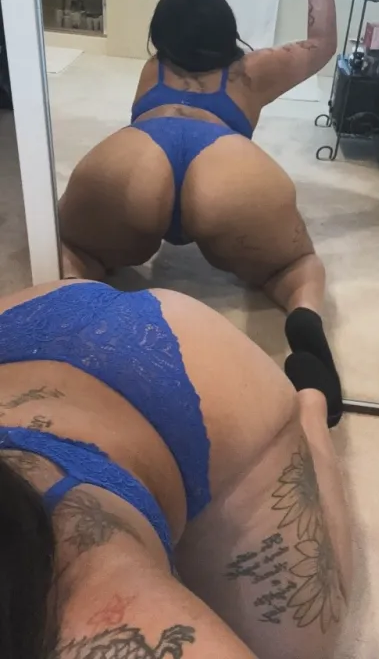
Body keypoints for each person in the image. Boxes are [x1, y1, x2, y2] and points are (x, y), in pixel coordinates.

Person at [0, 279, 350, 659]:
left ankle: (311, 404)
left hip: (199, 380)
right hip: (34, 316)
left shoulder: (89, 611)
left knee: (307, 633)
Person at [59, 0, 339, 397]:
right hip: (228, 169)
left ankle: (74, 311)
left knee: (74, 245)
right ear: (226, 33)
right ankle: (305, 323)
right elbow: (322, 42)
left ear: (163, 36)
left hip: (137, 159)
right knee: (295, 266)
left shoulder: (154, 68)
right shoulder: (253, 70)